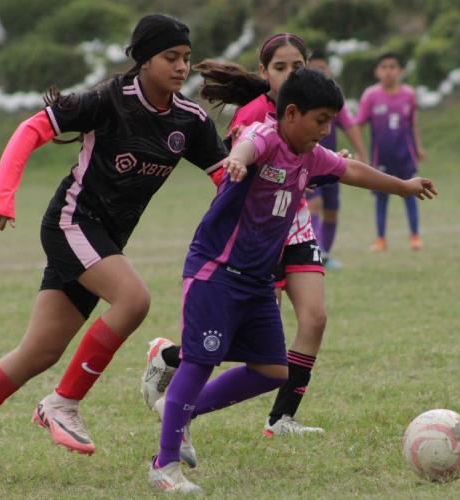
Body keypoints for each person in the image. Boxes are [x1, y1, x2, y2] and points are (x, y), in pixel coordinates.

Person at [0, 14, 243, 483]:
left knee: (36, 352)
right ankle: (61, 403)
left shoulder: (190, 121)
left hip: (104, 240)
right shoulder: (107, 100)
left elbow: (227, 179)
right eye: (170, 57)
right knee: (134, 299)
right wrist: (1, 195)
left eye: (186, 58)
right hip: (71, 223)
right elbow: (31, 130)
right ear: (143, 60)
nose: (182, 67)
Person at [148, 68, 437, 493]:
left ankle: (180, 409)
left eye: (330, 122)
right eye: (320, 120)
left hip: (258, 280)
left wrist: (404, 187)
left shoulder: (310, 154)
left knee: (272, 369)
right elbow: (249, 144)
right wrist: (237, 159)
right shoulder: (266, 136)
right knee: (199, 362)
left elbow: (352, 172)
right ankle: (164, 465)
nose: (325, 130)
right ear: (292, 114)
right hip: (216, 271)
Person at [142, 33, 339, 447]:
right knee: (240, 337)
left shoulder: (314, 106)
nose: (289, 74)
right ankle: (172, 364)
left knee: (314, 319)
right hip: (255, 234)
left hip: (296, 224)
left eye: (297, 67)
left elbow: (316, 163)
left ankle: (281, 417)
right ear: (264, 72)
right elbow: (242, 166)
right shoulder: (255, 116)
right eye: (280, 67)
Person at [355, 52, 427, 251]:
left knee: (412, 193)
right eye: (384, 67)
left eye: (393, 67)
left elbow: (413, 124)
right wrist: (361, 152)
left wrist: (419, 147)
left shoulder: (409, 94)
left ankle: (415, 237)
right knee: (381, 197)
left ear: (400, 71)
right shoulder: (370, 96)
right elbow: (358, 124)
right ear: (377, 71)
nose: (389, 71)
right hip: (381, 158)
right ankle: (381, 240)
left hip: (405, 156)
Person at [306, 52, 366, 269]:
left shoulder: (334, 99)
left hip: (333, 164)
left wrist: (361, 152)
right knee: (314, 205)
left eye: (324, 68)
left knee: (331, 210)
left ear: (329, 70)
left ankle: (326, 254)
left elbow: (349, 125)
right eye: (315, 68)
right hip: (309, 164)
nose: (320, 72)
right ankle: (313, 253)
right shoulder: (303, 99)